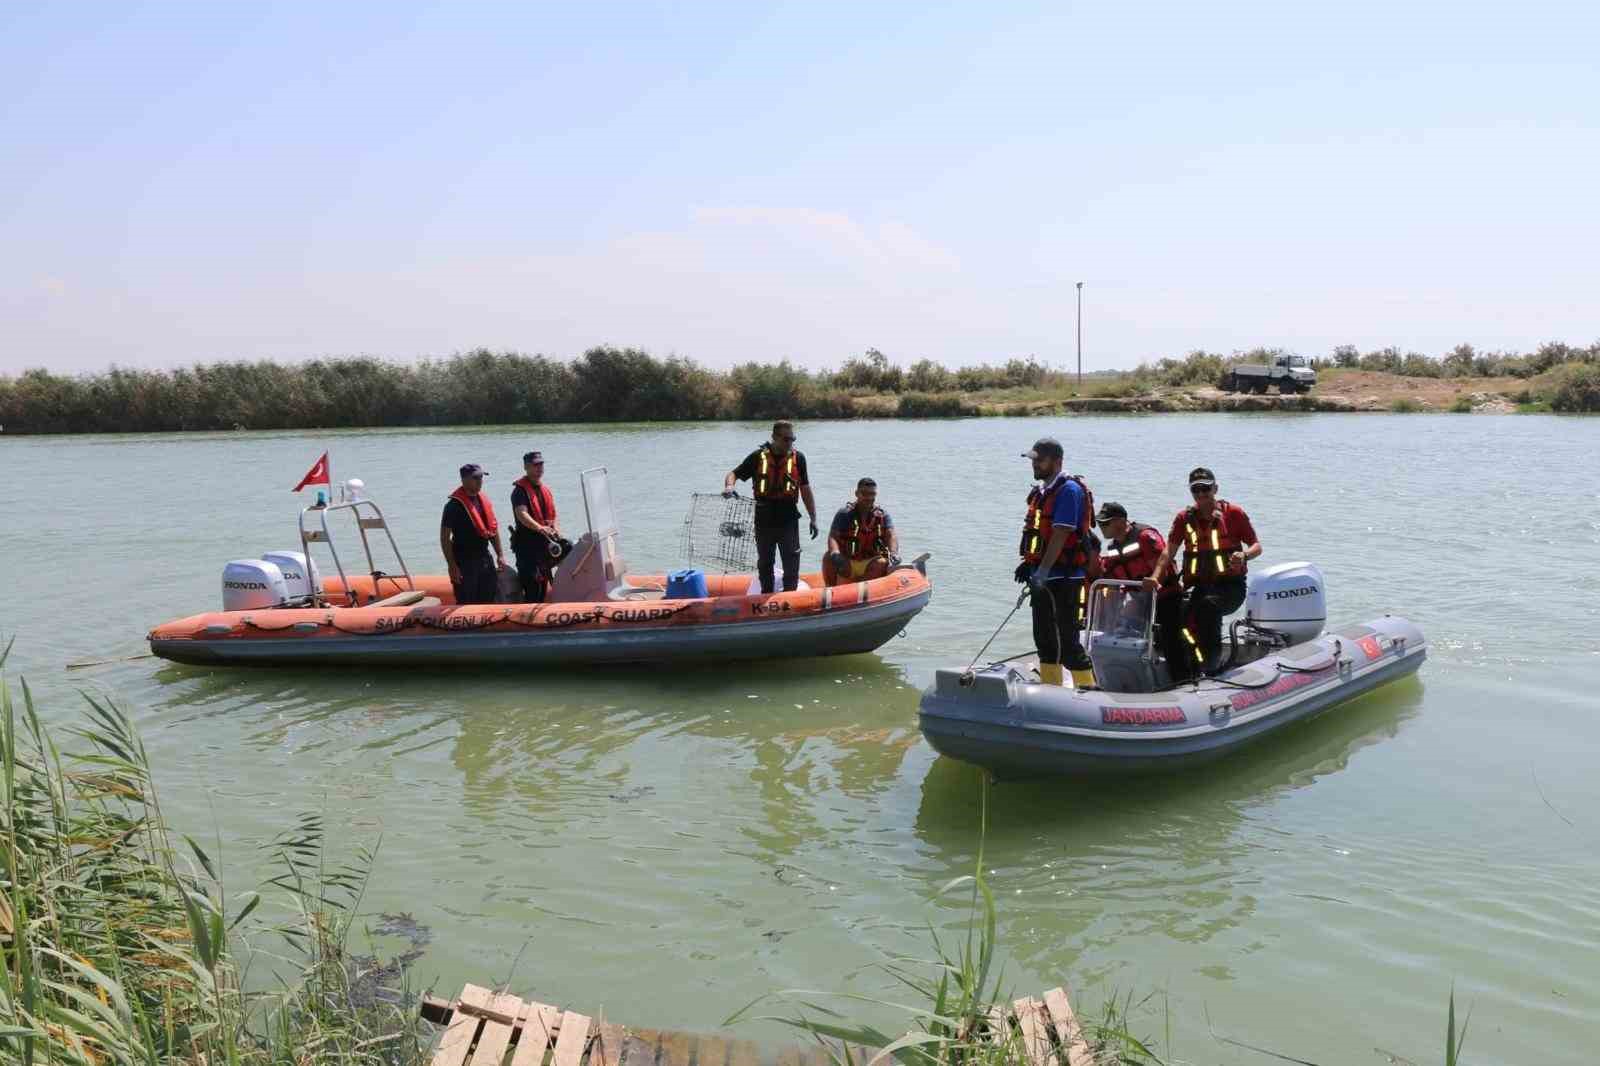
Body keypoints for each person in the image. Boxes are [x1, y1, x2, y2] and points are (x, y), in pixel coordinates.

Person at [1148, 466, 1261, 676]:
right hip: (1198, 587)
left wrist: (1243, 556)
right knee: (1171, 613)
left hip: (1230, 588)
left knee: (1208, 607)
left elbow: (1256, 546)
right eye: (1196, 490)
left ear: (1215, 488)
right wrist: (1155, 578)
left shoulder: (1234, 514)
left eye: (1205, 489)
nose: (1201, 495)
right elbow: (1168, 553)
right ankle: (1182, 672)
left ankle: (1211, 667)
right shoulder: (1184, 518)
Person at [1014, 438, 1097, 687]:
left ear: (1057, 461)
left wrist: (1044, 570)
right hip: (1044, 575)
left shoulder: (1068, 491)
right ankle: (1052, 688)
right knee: (1045, 640)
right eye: (1033, 460)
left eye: (1040, 460)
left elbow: (1061, 533)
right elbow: (1041, 534)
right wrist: (1029, 565)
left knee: (1068, 641)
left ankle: (1087, 690)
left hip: (1064, 577)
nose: (1035, 465)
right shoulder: (1043, 492)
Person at [723, 419, 819, 593]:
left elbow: (805, 489)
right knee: (765, 561)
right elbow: (733, 474)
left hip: (788, 518)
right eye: (785, 439)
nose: (789, 443)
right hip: (763, 518)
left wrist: (813, 517)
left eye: (792, 439)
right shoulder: (757, 457)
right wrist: (729, 486)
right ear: (774, 437)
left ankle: (790, 594)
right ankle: (765, 594)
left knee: (791, 559)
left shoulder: (799, 458)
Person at [1096, 501, 1188, 681]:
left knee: (1171, 638)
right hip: (1140, 600)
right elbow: (1109, 575)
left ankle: (1183, 679)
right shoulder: (1112, 548)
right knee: (1120, 631)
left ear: (1121, 521)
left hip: (1165, 596)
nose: (1102, 527)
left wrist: (1152, 582)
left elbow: (1161, 569)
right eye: (1100, 523)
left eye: (1106, 523)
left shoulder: (1145, 536)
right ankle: (1128, 676)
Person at [440, 463, 508, 605]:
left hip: (484, 558)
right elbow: (444, 538)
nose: (480, 481)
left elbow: (493, 530)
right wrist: (452, 566)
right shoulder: (453, 506)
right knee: (467, 602)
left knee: (489, 598)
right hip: (464, 561)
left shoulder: (483, 501)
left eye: (482, 477)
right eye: (476, 478)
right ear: (464, 480)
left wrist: (500, 554)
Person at [509, 450, 567, 603]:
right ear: (526, 467)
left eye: (541, 464)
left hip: (544, 549)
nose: (539, 468)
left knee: (542, 586)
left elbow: (553, 516)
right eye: (535, 465)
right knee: (532, 588)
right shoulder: (519, 491)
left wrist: (557, 531)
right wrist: (540, 528)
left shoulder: (545, 490)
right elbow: (522, 514)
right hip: (527, 550)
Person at [823, 477, 898, 587]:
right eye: (865, 493)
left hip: (870, 561)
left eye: (872, 494)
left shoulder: (883, 516)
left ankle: (856, 591)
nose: (869, 498)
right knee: (828, 557)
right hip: (848, 561)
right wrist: (835, 552)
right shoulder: (844, 514)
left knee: (882, 563)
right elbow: (833, 536)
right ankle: (830, 591)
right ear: (857, 493)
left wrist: (894, 552)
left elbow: (891, 535)